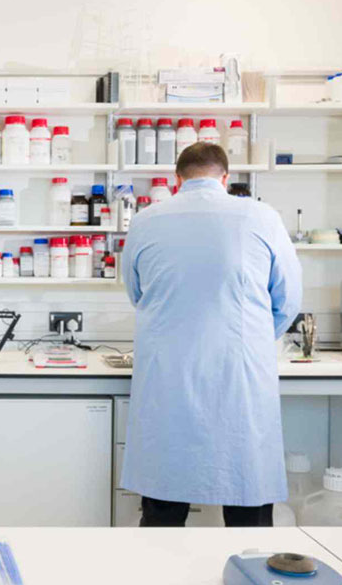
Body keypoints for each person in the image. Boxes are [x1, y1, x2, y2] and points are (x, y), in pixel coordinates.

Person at [121, 142, 302, 527]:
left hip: (168, 376)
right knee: (247, 502)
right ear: (225, 178)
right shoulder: (261, 216)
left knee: (163, 511)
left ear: (176, 179)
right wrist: (248, 339)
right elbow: (287, 301)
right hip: (240, 377)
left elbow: (137, 293)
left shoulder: (145, 220)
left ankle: (159, 584)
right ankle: (250, 581)